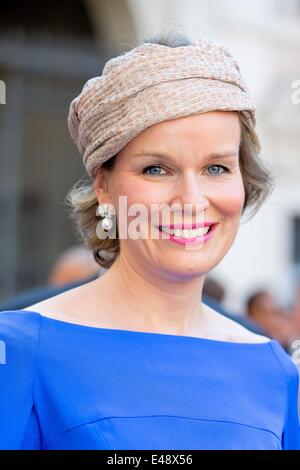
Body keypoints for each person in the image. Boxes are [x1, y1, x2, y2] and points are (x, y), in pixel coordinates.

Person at [0, 32, 299, 450]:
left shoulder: (275, 370)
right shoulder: (18, 352)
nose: (192, 201)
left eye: (216, 168)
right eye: (157, 169)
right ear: (103, 185)